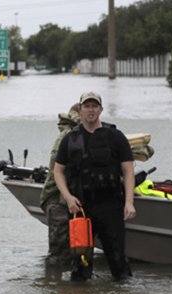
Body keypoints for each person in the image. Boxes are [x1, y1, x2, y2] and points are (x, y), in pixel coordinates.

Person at [54, 91, 136, 281]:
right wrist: (67, 197)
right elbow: (58, 172)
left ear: (100, 109)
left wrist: (129, 202)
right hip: (80, 208)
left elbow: (128, 171)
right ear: (80, 110)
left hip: (110, 206)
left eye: (94, 106)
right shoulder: (70, 139)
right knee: (80, 263)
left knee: (118, 261)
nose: (90, 110)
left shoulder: (115, 136)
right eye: (86, 106)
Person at [39, 103, 81, 267]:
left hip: (68, 200)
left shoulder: (76, 135)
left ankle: (60, 288)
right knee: (59, 255)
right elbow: (57, 172)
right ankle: (54, 288)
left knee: (75, 252)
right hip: (59, 201)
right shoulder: (68, 137)